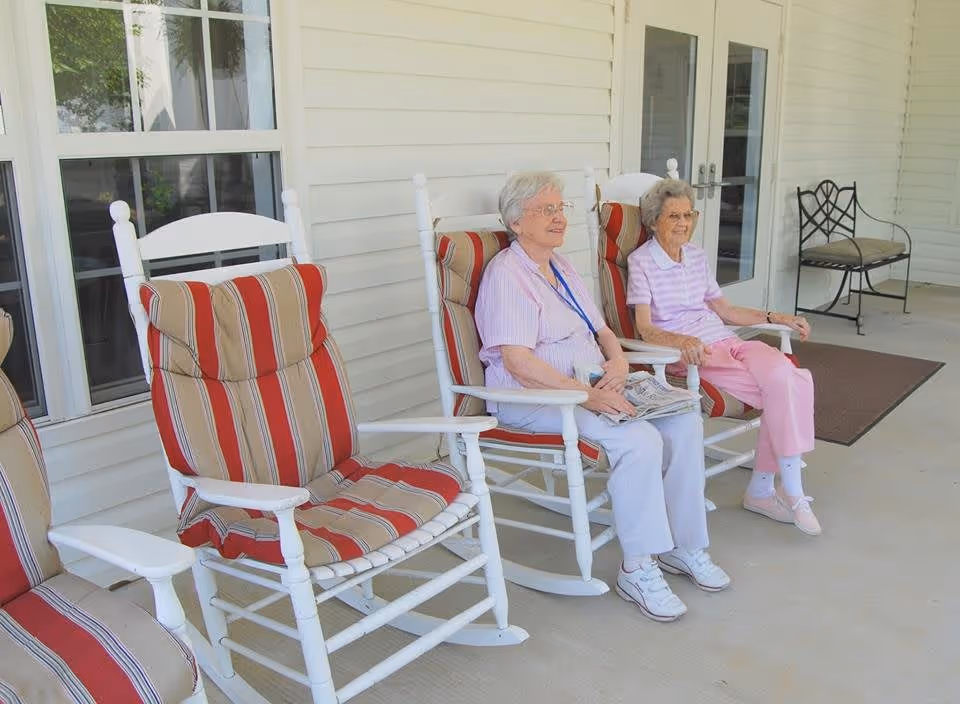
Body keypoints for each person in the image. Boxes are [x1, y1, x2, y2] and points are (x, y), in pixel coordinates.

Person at [474, 171, 730, 623]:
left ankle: (684, 545)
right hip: (538, 398)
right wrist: (587, 395)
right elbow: (518, 363)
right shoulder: (506, 275)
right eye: (546, 210)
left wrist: (616, 363)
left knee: (686, 420)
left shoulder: (561, 266)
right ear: (517, 222)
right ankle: (639, 567)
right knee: (639, 442)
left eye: (560, 208)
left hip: (592, 382)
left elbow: (604, 331)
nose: (558, 218)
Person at [626, 178, 821, 536]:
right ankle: (780, 490)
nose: (684, 223)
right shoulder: (642, 263)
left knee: (784, 373)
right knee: (784, 387)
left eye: (689, 214)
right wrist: (682, 339)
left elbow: (726, 311)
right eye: (674, 216)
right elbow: (644, 329)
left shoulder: (696, 256)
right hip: (694, 355)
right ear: (654, 221)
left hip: (728, 342)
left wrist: (776, 317)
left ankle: (770, 489)